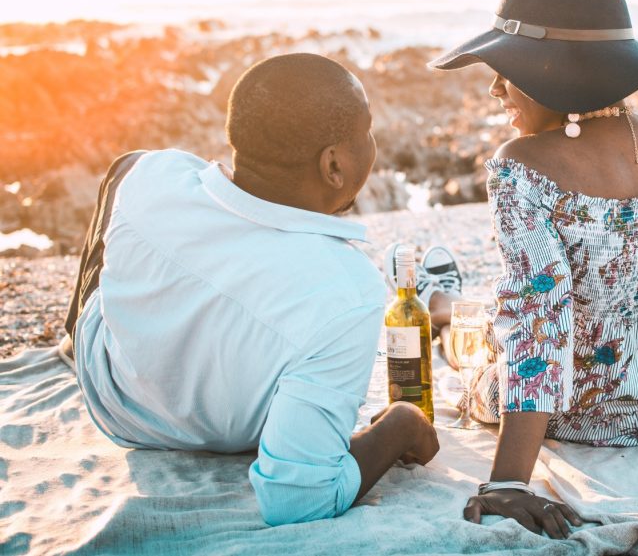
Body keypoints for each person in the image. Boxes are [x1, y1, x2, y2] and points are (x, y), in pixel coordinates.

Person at [428, 0, 638, 539]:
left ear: (557, 74)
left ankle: (444, 310)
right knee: (515, 317)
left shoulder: (522, 166)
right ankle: (448, 305)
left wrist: (508, 482)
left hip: (586, 414)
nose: (495, 88)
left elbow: (538, 328)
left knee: (478, 360)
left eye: (507, 70)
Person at [59, 53, 439, 526]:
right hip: (218, 431)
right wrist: (403, 422)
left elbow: (157, 175)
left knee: (126, 165)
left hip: (112, 393)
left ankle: (74, 334)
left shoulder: (152, 177)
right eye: (368, 131)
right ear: (334, 166)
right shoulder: (348, 291)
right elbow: (298, 499)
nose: (374, 143)